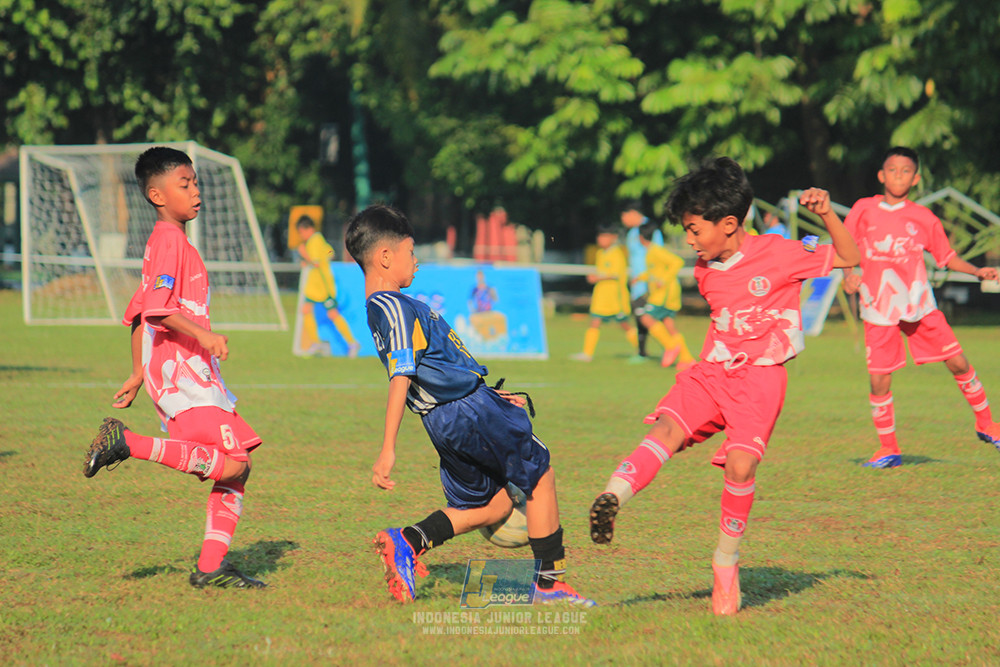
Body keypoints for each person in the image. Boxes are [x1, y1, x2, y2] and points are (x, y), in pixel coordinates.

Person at [588, 157, 859, 615]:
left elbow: (850, 256)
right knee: (665, 430)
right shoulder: (705, 271)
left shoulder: (782, 253)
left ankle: (725, 563)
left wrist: (828, 214)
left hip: (761, 378)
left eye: (695, 230)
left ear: (729, 223)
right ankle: (613, 495)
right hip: (711, 374)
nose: (690, 241)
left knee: (740, 467)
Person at [343, 204, 593, 606]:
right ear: (385, 257)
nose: (416, 261)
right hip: (467, 411)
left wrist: (488, 394)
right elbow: (400, 375)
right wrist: (388, 448)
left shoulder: (386, 307)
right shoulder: (393, 306)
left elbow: (435, 369)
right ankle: (550, 585)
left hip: (447, 418)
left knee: (492, 506)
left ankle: (408, 541)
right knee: (540, 473)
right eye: (410, 252)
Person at [82, 146, 266, 589]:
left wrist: (138, 372)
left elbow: (138, 313)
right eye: (185, 184)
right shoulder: (168, 242)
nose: (196, 191)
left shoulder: (169, 243)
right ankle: (129, 442)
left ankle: (211, 567)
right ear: (157, 195)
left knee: (238, 469)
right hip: (185, 372)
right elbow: (158, 311)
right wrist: (204, 336)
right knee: (234, 465)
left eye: (196, 182)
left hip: (183, 372)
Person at [842, 146, 1000, 468]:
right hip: (878, 307)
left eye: (905, 172)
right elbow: (845, 248)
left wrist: (976, 271)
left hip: (919, 305)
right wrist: (848, 275)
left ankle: (987, 424)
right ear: (881, 175)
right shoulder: (863, 209)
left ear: (915, 179)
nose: (898, 176)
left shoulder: (924, 218)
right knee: (879, 379)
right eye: (892, 170)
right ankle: (888, 449)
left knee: (958, 362)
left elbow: (946, 257)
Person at [632, 220, 696, 370]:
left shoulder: (656, 251)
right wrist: (640, 278)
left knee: (646, 318)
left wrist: (664, 280)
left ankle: (671, 346)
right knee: (669, 327)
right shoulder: (651, 251)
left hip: (664, 295)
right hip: (667, 294)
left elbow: (677, 262)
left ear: (640, 237)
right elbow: (654, 272)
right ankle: (687, 359)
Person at [570, 224, 638, 362]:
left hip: (615, 298)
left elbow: (616, 274)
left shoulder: (617, 253)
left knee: (625, 325)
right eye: (600, 236)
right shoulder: (600, 253)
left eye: (605, 236)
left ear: (613, 237)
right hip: (602, 298)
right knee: (594, 322)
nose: (601, 239)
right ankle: (587, 353)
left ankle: (642, 350)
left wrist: (597, 278)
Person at [296, 215, 360, 357]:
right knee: (306, 310)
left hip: (323, 287)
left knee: (332, 314)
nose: (301, 236)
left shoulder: (314, 241)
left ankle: (352, 343)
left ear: (307, 229)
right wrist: (318, 259)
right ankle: (316, 343)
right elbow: (331, 253)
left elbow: (316, 262)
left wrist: (304, 254)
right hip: (315, 286)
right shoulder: (318, 239)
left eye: (301, 232)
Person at [622, 202, 664, 360]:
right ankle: (642, 352)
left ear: (633, 213)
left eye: (624, 216)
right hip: (637, 282)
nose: (623, 220)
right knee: (640, 316)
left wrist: (652, 279)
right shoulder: (632, 232)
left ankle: (672, 347)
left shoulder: (650, 230)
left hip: (649, 282)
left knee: (651, 317)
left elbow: (657, 256)